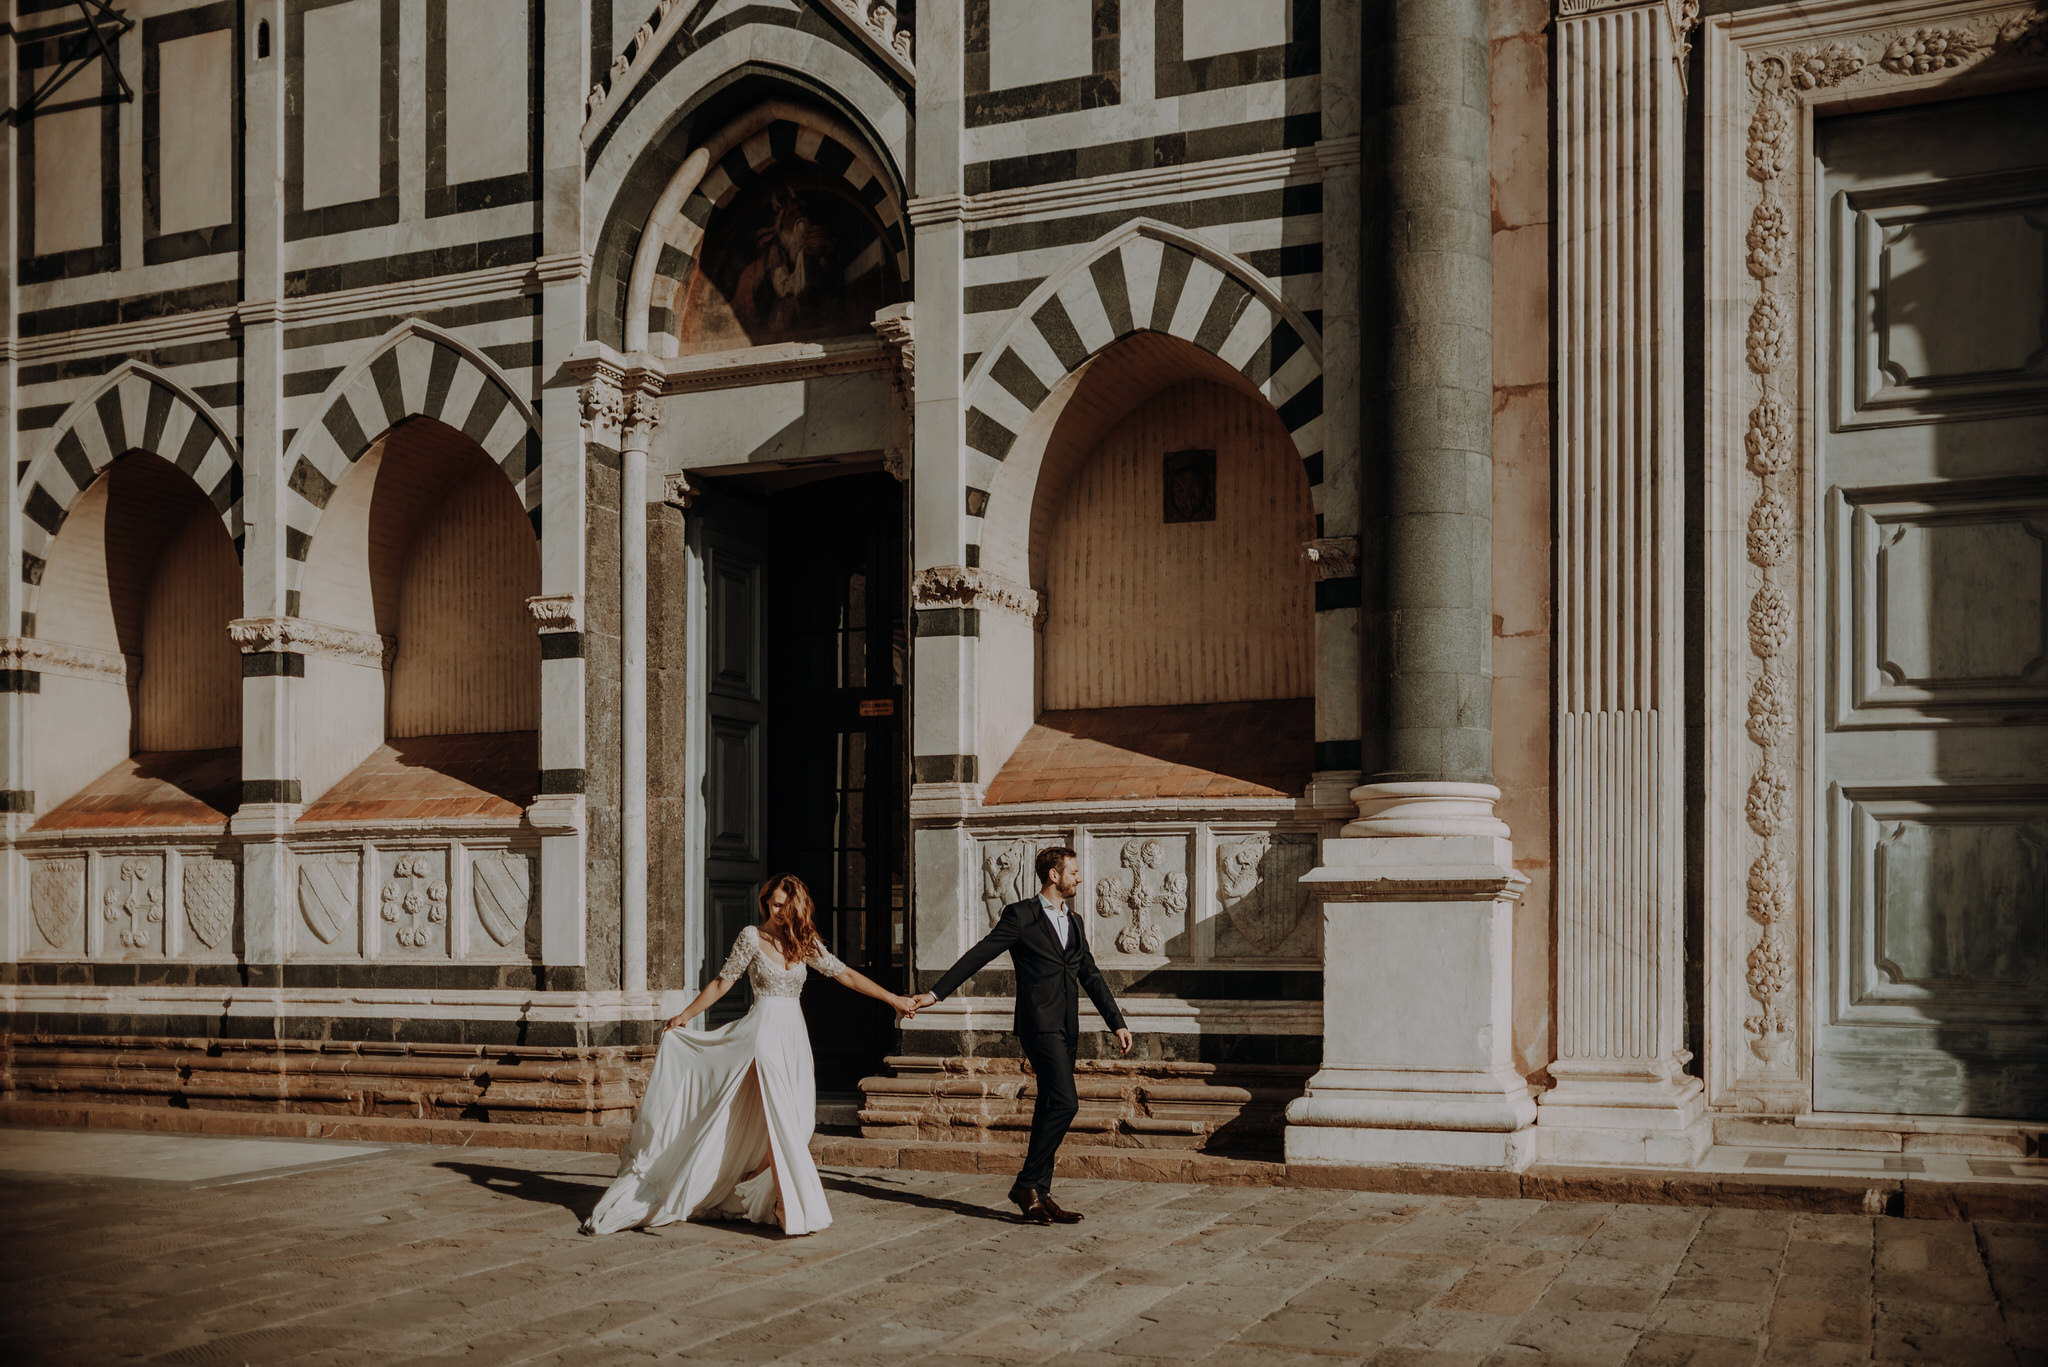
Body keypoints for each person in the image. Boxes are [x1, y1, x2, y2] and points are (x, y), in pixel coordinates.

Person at [580, 873, 917, 1238]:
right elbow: (723, 981)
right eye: (771, 903)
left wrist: (894, 1000)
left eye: (783, 904)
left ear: (796, 905)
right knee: (780, 1120)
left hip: (794, 1038)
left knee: (801, 1123)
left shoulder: (804, 942)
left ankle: (757, 1184)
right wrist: (685, 1016)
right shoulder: (751, 937)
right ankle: (786, 1203)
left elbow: (847, 976)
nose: (776, 910)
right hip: (762, 1036)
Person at [911, 845, 1131, 1225]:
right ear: (1053, 875)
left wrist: (1117, 1021)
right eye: (1073, 872)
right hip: (1038, 1024)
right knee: (1066, 1103)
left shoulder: (1074, 921)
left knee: (1050, 1104)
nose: (1079, 878)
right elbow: (980, 954)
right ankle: (1026, 1184)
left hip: (1067, 1026)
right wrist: (935, 994)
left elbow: (1090, 975)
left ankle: (1040, 1193)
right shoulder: (1021, 916)